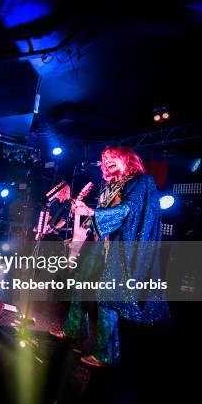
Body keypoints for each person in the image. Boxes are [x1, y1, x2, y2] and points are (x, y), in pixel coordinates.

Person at [51, 145, 170, 367]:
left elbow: (128, 211)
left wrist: (92, 213)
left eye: (113, 158)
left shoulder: (142, 182)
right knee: (79, 286)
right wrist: (81, 223)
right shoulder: (109, 187)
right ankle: (74, 331)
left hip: (121, 249)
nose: (107, 162)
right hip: (98, 247)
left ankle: (106, 354)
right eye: (105, 160)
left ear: (128, 159)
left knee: (107, 299)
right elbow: (97, 219)